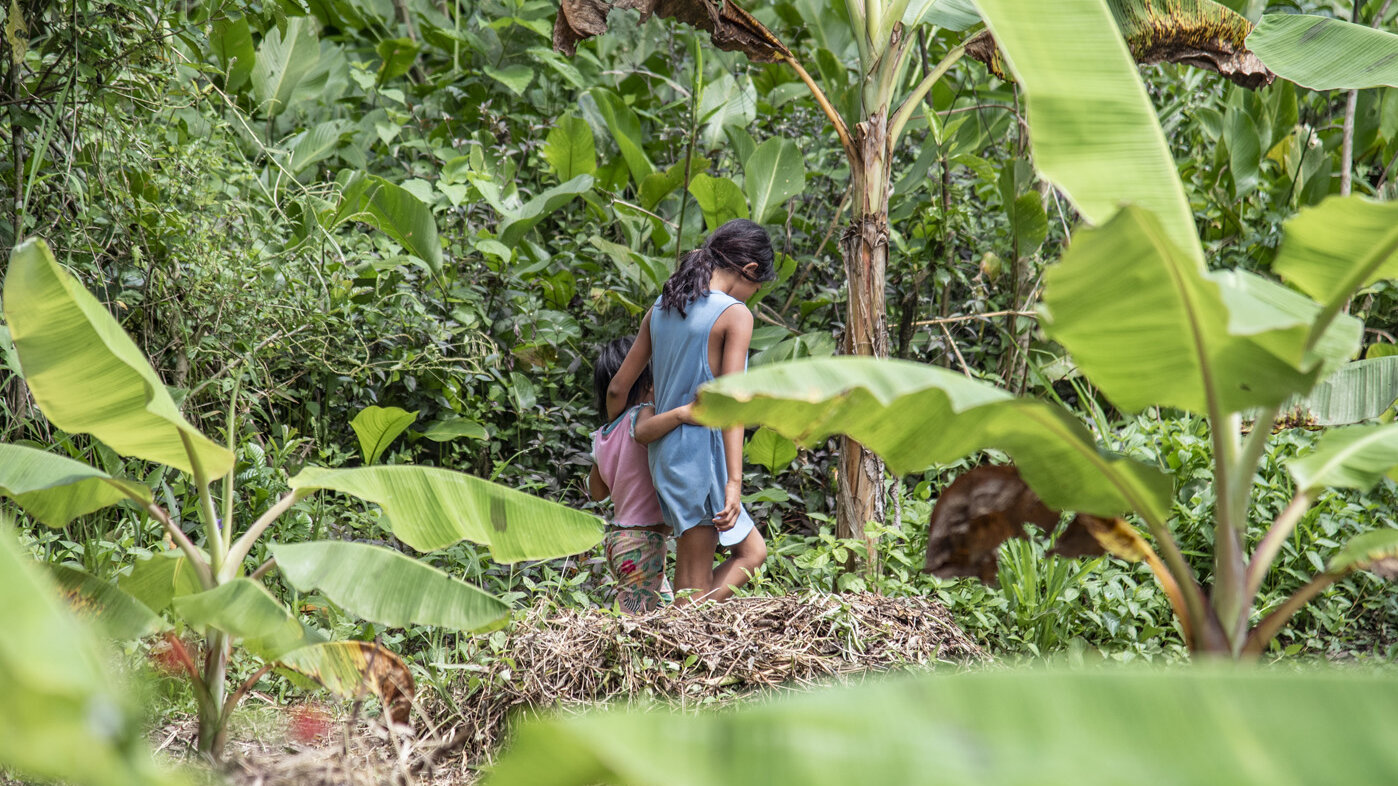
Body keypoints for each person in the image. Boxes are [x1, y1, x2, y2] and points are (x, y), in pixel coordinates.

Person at [606, 218, 774, 603]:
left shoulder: (662, 308)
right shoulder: (735, 315)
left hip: (666, 457)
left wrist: (616, 443)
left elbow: (618, 388)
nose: (751, 297)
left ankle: (674, 633)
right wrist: (734, 482)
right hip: (703, 459)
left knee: (748, 553)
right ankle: (674, 640)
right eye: (756, 287)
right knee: (696, 588)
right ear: (749, 270)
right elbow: (731, 402)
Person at [588, 337, 695, 614]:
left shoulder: (602, 436)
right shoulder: (641, 414)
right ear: (647, 383)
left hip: (619, 541)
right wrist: (683, 413)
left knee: (665, 610)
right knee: (631, 618)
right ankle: (617, 654)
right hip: (642, 543)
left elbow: (598, 492)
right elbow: (645, 431)